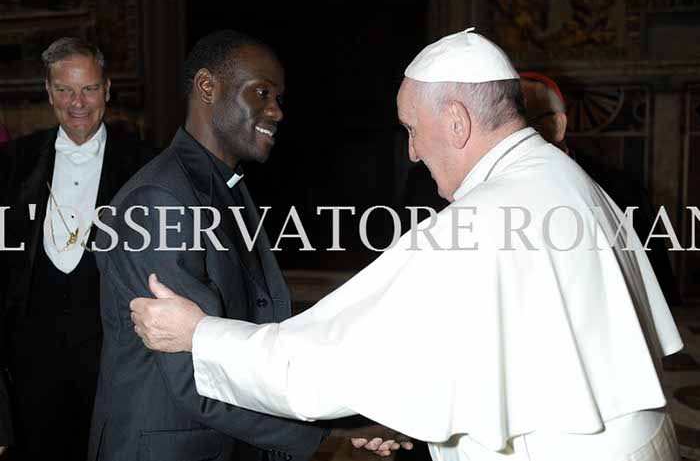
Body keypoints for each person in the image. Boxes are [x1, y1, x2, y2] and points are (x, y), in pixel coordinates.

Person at [130, 28, 683, 461]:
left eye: (412, 129)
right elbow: (504, 342)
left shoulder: (477, 223)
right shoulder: (565, 178)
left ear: (457, 122)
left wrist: (199, 335)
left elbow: (321, 363)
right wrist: (408, 407)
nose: (413, 153)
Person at [88, 30, 403, 461]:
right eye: (261, 92)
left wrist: (346, 412)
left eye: (278, 97)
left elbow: (254, 334)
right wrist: (332, 433)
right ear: (207, 86)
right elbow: (195, 375)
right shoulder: (160, 199)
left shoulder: (225, 186)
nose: (276, 110)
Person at [0, 38, 154, 460]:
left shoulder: (146, 164)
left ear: (107, 89)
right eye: (65, 90)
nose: (78, 102)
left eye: (88, 88)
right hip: (30, 367)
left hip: (114, 360)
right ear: (49, 92)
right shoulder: (12, 162)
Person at [519, 71, 681, 306]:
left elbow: (656, 282)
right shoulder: (486, 191)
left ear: (557, 125)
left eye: (525, 125)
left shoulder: (621, 192)